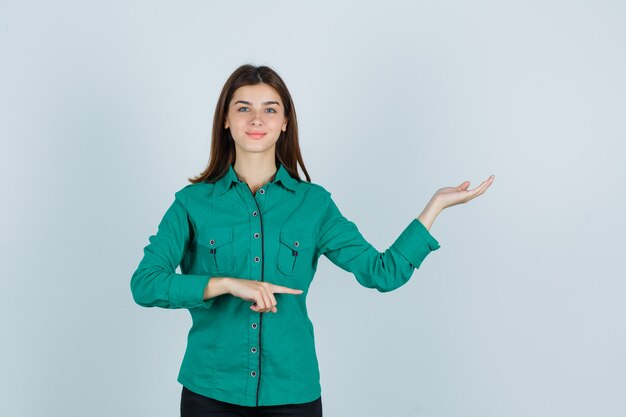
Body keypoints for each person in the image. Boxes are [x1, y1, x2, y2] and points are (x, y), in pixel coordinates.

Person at [130, 64, 495, 417]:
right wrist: (225, 284)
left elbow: (383, 273)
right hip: (210, 393)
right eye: (244, 108)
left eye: (269, 109)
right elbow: (145, 284)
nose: (257, 119)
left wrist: (435, 207)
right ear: (225, 119)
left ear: (285, 121)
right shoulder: (191, 204)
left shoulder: (314, 205)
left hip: (292, 393)